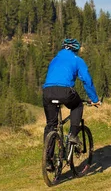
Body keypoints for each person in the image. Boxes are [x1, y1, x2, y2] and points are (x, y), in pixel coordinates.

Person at [43, 38, 101, 168]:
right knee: (77, 105)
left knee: (51, 124)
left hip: (47, 91)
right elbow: (86, 79)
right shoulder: (77, 60)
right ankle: (73, 135)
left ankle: (47, 158)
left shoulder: (54, 59)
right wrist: (95, 99)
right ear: (76, 50)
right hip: (65, 91)